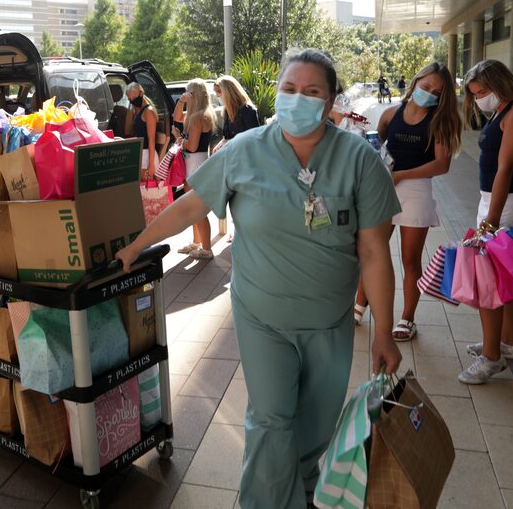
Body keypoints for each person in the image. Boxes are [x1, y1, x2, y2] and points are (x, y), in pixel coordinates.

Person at [117, 49, 402, 508]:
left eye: (312, 92)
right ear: (276, 93)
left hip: (329, 321)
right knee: (271, 423)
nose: (298, 99)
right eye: (289, 89)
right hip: (262, 316)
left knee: (315, 426)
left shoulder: (359, 160)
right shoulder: (244, 151)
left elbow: (374, 251)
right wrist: (136, 244)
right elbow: (192, 205)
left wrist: (383, 333)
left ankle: (305, 493)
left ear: (331, 100)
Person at [353, 63, 462, 339]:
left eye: (436, 92)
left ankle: (407, 319)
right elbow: (375, 146)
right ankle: (358, 305)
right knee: (371, 251)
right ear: (415, 82)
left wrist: (400, 174)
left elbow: (441, 165)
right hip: (385, 189)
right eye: (426, 87)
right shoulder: (391, 114)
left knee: (410, 260)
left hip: (416, 192)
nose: (430, 93)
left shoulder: (439, 122)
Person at [458, 59, 513, 384]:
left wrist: (491, 222)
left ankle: (491, 358)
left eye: (482, 91)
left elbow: (505, 169)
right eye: (474, 93)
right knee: (505, 282)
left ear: (500, 83)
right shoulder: (502, 110)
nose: (478, 98)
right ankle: (506, 343)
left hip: (508, 205)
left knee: (488, 283)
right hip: (496, 203)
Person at [174, 79, 216, 259]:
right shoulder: (197, 114)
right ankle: (197, 242)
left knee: (198, 208)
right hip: (195, 162)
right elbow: (176, 117)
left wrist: (179, 140)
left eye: (187, 93)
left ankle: (206, 248)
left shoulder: (198, 117)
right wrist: (181, 102)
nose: (185, 95)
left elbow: (191, 146)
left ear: (193, 95)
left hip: (195, 163)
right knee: (194, 207)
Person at [215, 75, 260, 149]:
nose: (217, 95)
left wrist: (230, 143)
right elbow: (227, 136)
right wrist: (220, 144)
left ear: (228, 92)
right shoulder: (227, 110)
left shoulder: (248, 110)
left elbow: (254, 138)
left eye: (219, 91)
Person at [127, 82, 158, 180]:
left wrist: (151, 164)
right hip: (141, 153)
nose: (132, 101)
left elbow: (152, 140)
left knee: (147, 191)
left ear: (141, 93)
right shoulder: (138, 111)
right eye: (130, 99)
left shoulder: (148, 111)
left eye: (134, 97)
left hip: (147, 155)